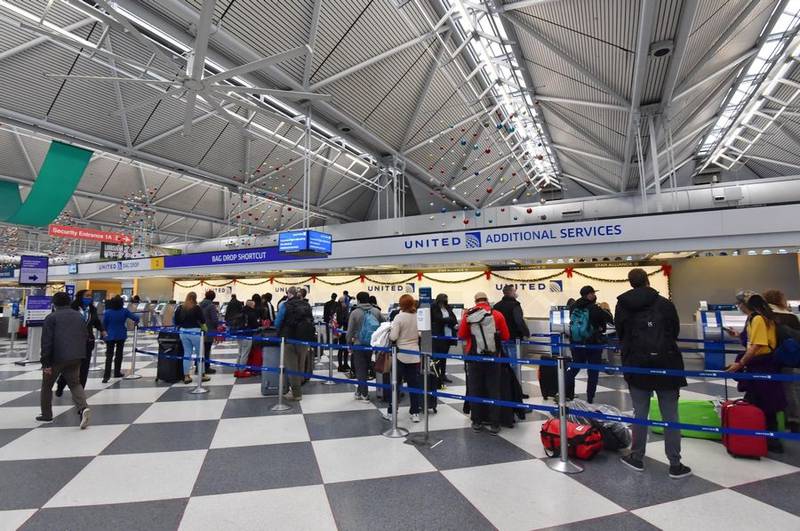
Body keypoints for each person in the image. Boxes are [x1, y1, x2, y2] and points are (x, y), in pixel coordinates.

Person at [615, 268, 691, 478]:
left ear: (630, 283)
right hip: (667, 364)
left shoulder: (623, 305)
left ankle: (637, 457)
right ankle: (675, 464)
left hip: (637, 365)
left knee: (640, 413)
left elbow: (621, 333)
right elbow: (674, 331)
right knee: (671, 415)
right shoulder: (665, 304)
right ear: (647, 280)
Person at [727, 294, 787, 452]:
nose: (738, 306)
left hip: (762, 365)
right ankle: (762, 438)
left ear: (745, 305)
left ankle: (769, 441)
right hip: (762, 364)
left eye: (739, 303)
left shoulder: (758, 319)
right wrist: (737, 335)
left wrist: (740, 363)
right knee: (760, 401)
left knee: (764, 402)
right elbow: (752, 341)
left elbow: (757, 346)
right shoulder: (759, 318)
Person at [458, 292, 510, 435]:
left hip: (474, 357)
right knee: (494, 389)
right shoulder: (497, 314)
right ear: (487, 301)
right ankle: (494, 423)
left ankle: (477, 421)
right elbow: (506, 336)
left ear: (475, 301)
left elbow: (461, 335)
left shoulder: (468, 315)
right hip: (493, 357)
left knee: (475, 388)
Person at [39, 292, 91, 428]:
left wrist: (45, 362)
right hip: (76, 356)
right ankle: (83, 407)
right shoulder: (79, 316)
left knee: (47, 386)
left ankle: (46, 414)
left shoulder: (51, 318)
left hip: (57, 358)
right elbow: (85, 335)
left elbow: (46, 342)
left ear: (54, 304)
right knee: (75, 384)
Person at [565, 285, 614, 403]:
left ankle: (563, 390)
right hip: (593, 343)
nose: (594, 295)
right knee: (593, 371)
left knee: (575, 367)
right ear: (589, 295)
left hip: (576, 343)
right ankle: (590, 398)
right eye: (593, 293)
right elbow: (608, 320)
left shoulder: (573, 306)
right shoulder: (594, 308)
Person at [55, 289, 105, 397]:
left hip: (87, 342)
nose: (89, 298)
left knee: (84, 367)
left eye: (90, 296)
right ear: (80, 297)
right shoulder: (72, 308)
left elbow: (96, 321)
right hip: (73, 341)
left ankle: (80, 391)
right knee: (70, 366)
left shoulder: (92, 309)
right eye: (86, 296)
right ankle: (61, 385)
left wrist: (102, 330)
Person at [763, 289, 800, 433]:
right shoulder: (791, 316)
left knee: (774, 388)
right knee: (791, 388)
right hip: (790, 356)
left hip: (771, 357)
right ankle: (794, 420)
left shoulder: (768, 315)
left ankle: (779, 418)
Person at [383, 294, 422, 423]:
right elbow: (420, 334)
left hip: (400, 355)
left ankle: (391, 411)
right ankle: (415, 412)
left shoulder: (399, 317)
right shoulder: (418, 316)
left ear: (401, 304)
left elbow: (393, 337)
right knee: (414, 385)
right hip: (415, 354)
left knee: (395, 384)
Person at [273, 286, 315, 401]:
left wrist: (278, 331)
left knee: (292, 366)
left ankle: (296, 393)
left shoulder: (285, 305)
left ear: (288, 294)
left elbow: (278, 322)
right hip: (304, 339)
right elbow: (311, 320)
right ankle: (298, 387)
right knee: (301, 364)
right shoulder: (306, 305)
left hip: (289, 339)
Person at [346, 291, 385, 400]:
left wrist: (349, 344)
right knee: (368, 367)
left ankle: (364, 394)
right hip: (372, 345)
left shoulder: (355, 312)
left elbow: (350, 331)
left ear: (358, 300)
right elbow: (385, 325)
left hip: (359, 344)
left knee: (360, 369)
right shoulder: (376, 311)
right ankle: (359, 391)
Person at [101, 295, 139, 383]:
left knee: (109, 356)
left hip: (110, 336)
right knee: (119, 354)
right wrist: (136, 322)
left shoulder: (107, 312)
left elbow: (104, 325)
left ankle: (106, 376)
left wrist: (103, 336)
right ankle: (117, 372)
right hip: (121, 335)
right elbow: (136, 318)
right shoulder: (124, 311)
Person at [174, 291, 207, 385]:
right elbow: (203, 320)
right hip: (195, 332)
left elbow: (176, 320)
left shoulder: (180, 307)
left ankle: (186, 376)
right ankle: (202, 374)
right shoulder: (197, 308)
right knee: (200, 353)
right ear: (195, 298)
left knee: (187, 353)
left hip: (183, 332)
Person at [431, 293, 458, 383]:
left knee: (444, 357)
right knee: (438, 358)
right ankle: (437, 376)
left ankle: (443, 375)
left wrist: (447, 320)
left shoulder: (448, 308)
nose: (444, 302)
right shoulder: (433, 307)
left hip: (448, 335)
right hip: (439, 336)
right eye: (442, 301)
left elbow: (453, 319)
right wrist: (448, 320)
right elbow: (437, 318)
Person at [234, 299, 261, 378]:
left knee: (240, 352)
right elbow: (255, 325)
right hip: (247, 335)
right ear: (251, 305)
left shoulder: (241, 312)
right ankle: (242, 371)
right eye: (253, 305)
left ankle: (237, 370)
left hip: (239, 335)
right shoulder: (251, 313)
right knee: (245, 354)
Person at [334, 296, 350, 372]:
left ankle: (345, 364)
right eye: (343, 302)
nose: (345, 303)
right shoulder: (339, 309)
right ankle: (340, 366)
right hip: (342, 331)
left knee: (346, 349)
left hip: (345, 331)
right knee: (341, 349)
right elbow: (340, 320)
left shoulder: (344, 309)